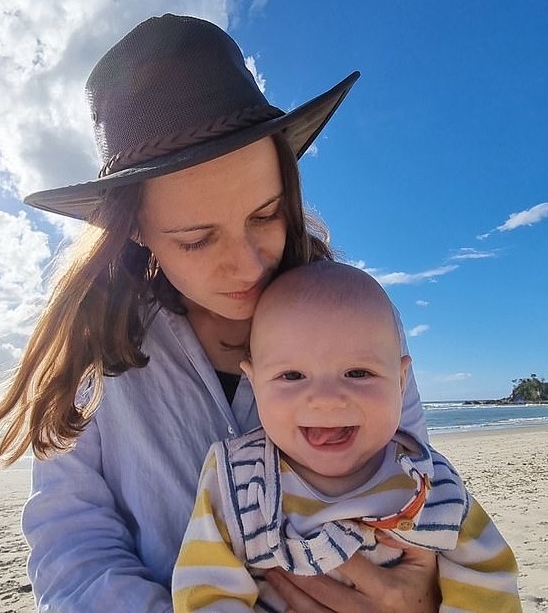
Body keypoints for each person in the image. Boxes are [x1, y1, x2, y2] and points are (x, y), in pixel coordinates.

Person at [0, 14, 440, 612]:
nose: (246, 265)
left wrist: (426, 597)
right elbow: (72, 544)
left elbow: (417, 481)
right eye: (196, 238)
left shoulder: (357, 319)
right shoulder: (96, 355)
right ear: (135, 231)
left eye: (265, 215)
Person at [172, 260, 521, 612]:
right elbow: (204, 593)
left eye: (357, 373)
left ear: (401, 383)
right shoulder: (238, 480)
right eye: (292, 375)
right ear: (255, 383)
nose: (325, 400)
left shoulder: (431, 484)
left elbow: (490, 584)